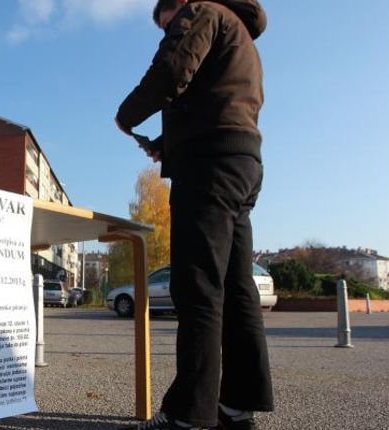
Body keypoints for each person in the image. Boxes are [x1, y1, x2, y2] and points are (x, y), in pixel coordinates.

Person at [115, 1, 272, 429]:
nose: (169, 32)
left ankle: (188, 416)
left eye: (168, 25)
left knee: (197, 286)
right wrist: (168, 143)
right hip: (242, 161)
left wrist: (125, 116)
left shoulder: (202, 10)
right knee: (237, 286)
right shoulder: (238, 31)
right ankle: (237, 406)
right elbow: (214, 99)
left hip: (208, 168)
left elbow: (171, 70)